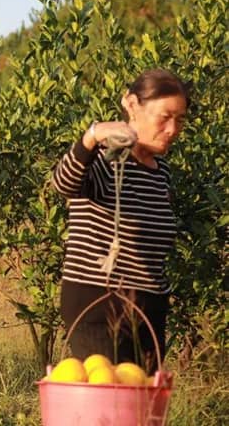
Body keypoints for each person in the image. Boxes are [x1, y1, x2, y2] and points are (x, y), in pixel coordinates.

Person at [51, 68, 189, 370]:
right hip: (99, 305)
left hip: (149, 311)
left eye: (179, 120)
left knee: (143, 411)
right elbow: (63, 184)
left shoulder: (161, 171)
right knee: (110, 408)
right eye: (164, 117)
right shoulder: (104, 158)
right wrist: (92, 136)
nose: (172, 129)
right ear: (133, 106)